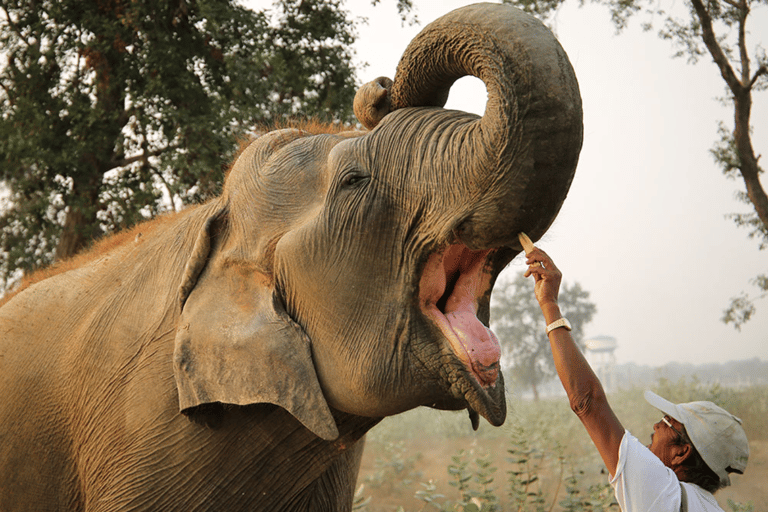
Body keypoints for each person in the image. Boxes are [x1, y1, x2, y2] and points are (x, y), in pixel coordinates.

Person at [523, 246, 749, 512]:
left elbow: (587, 402)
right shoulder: (708, 507)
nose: (655, 425)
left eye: (667, 421)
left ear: (682, 453)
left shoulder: (662, 493)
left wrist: (549, 305)